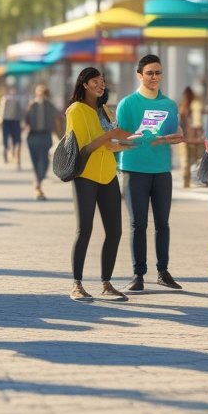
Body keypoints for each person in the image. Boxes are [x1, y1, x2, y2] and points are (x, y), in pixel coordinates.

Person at [116, 55, 186, 292]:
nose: (154, 77)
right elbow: (119, 139)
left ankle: (163, 272)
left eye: (158, 73)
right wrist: (134, 138)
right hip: (134, 170)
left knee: (162, 224)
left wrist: (174, 137)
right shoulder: (127, 104)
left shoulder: (169, 105)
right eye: (150, 73)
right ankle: (138, 275)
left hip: (162, 169)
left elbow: (176, 135)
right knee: (138, 224)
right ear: (139, 75)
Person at [65, 67, 133, 302]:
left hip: (108, 175)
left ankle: (106, 283)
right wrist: (108, 136)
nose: (101, 85)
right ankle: (77, 285)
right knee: (84, 229)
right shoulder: (75, 110)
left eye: (103, 81)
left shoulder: (104, 110)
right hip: (85, 175)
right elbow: (84, 148)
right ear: (84, 84)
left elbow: (110, 145)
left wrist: (127, 142)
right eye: (95, 81)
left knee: (115, 231)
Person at [23, 84, 62, 200]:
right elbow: (25, 120)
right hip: (33, 136)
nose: (41, 95)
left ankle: (38, 182)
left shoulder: (50, 106)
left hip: (46, 136)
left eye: (43, 93)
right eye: (39, 93)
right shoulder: (31, 105)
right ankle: (38, 185)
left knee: (44, 162)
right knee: (36, 162)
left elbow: (58, 118)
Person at [178, 86, 205, 189]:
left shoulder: (183, 106)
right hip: (194, 139)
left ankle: (187, 184)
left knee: (186, 162)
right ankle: (194, 182)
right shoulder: (194, 105)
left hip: (185, 139)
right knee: (196, 161)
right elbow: (198, 123)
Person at [0, 83, 25, 167]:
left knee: (15, 140)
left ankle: (15, 157)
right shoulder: (8, 99)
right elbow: (2, 110)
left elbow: (20, 111)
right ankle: (9, 153)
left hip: (13, 121)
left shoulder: (10, 99)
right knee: (13, 140)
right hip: (9, 121)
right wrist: (0, 118)